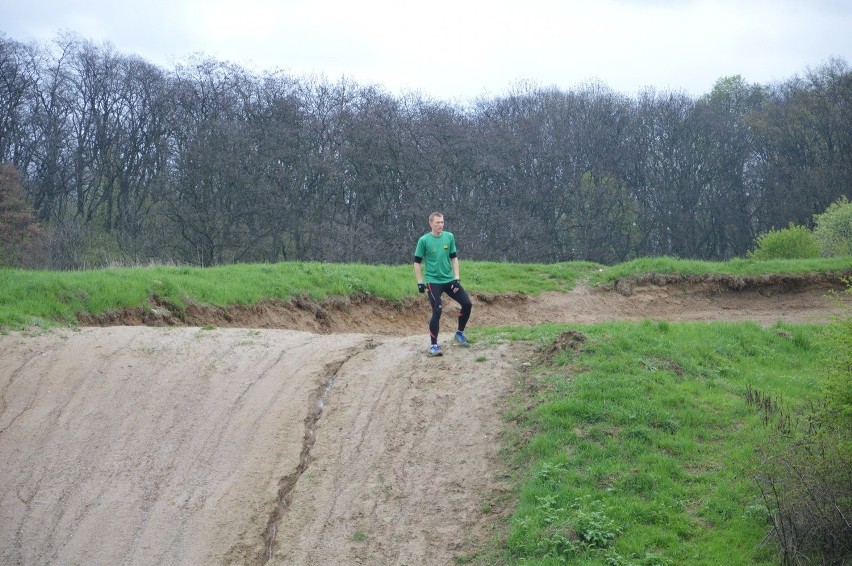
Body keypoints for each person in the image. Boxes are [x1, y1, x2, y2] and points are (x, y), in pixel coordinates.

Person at [413, 212, 473, 356]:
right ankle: (434, 346)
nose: (441, 225)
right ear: (431, 224)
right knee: (438, 309)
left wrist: (456, 278)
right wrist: (420, 282)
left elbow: (454, 258)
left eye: (442, 222)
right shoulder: (424, 240)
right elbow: (416, 262)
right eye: (438, 222)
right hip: (433, 282)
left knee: (467, 304)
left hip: (449, 280)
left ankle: (459, 333)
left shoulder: (449, 237)